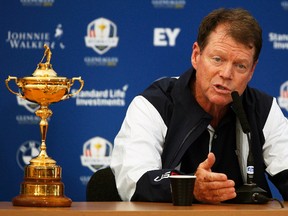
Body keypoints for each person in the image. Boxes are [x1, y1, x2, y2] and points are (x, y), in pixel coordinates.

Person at [110, 8, 288, 203]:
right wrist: (190, 186)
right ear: (196, 56)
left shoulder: (263, 109)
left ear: (252, 70)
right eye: (218, 59)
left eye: (240, 66)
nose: (227, 74)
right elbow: (135, 179)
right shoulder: (155, 104)